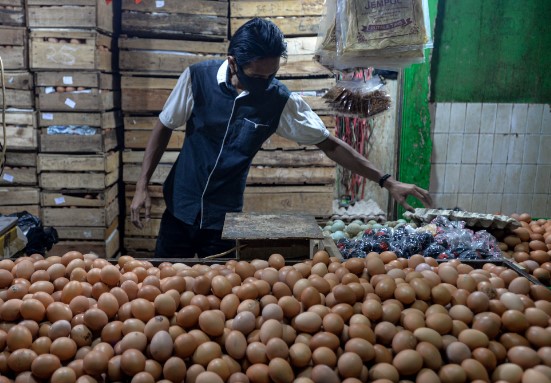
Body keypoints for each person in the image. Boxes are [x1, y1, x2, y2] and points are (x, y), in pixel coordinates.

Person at [130, 18, 432, 258]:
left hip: (223, 221)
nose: (265, 84)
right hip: (179, 210)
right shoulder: (197, 78)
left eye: (271, 76)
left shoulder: (279, 100)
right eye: (257, 77)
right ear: (233, 62)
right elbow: (164, 126)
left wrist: (386, 180)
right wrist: (142, 186)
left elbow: (329, 144)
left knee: (216, 300)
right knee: (166, 285)